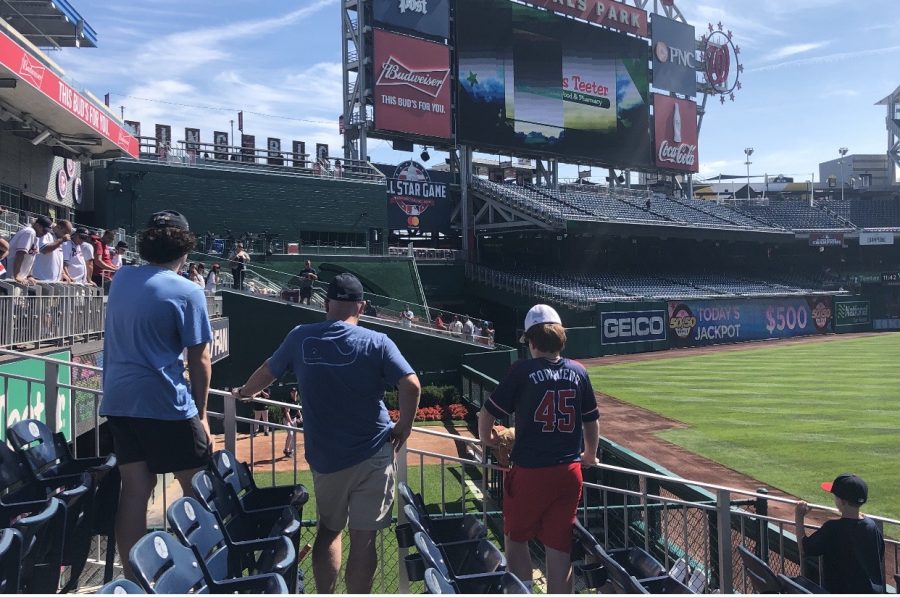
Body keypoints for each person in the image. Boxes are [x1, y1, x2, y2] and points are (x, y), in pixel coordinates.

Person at [231, 273, 421, 593]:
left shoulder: (300, 336)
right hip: (374, 451)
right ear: (361, 305)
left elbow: (267, 372)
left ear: (327, 303)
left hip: (328, 458)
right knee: (364, 539)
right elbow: (411, 385)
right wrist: (404, 426)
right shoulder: (377, 341)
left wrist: (244, 392)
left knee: (330, 531)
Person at [99, 210, 213, 581]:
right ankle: (206, 568)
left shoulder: (122, 278)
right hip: (164, 402)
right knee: (198, 486)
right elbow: (201, 358)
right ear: (185, 246)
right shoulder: (187, 290)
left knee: (135, 489)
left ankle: (135, 581)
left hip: (118, 399)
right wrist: (203, 413)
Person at [478, 304, 600, 594]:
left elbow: (487, 414)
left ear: (531, 340)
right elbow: (591, 421)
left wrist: (487, 439)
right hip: (569, 472)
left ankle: (523, 591)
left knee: (516, 540)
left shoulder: (522, 370)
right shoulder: (578, 371)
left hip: (531, 472)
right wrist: (590, 455)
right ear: (560, 337)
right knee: (559, 549)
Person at [795, 473, 885, 593]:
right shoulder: (872, 526)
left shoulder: (832, 528)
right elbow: (880, 552)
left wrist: (799, 516)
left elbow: (804, 548)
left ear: (842, 501)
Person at [9, 215, 52, 284]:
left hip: (19, 278)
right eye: (44, 230)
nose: (45, 233)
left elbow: (31, 258)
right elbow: (20, 253)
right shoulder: (29, 232)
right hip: (10, 276)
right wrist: (16, 275)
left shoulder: (36, 236)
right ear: (37, 225)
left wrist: (29, 276)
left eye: (47, 231)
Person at [282, 386, 302, 457]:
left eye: (295, 391)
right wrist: (290, 421)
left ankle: (291, 451)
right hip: (287, 420)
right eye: (292, 392)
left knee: (293, 436)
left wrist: (301, 417)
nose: (294, 393)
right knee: (290, 434)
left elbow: (298, 410)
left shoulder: (297, 400)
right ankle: (286, 449)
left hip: (294, 419)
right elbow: (287, 412)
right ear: (290, 393)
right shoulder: (289, 401)